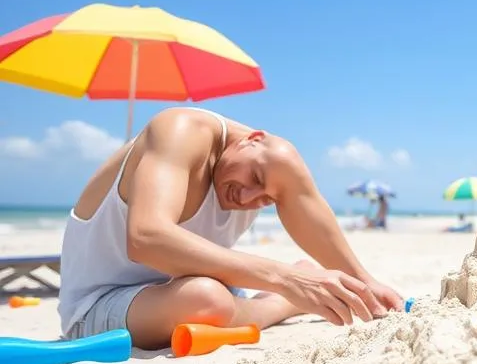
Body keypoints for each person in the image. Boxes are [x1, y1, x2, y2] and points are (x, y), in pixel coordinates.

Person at [58, 107, 404, 349]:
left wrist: (367, 284)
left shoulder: (273, 169)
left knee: (209, 294)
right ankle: (280, 306)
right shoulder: (180, 130)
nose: (250, 196)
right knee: (206, 299)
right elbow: (147, 239)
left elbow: (312, 214)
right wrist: (290, 281)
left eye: (267, 199)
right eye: (254, 178)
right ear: (251, 139)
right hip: (97, 306)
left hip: (196, 290)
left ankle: (259, 300)